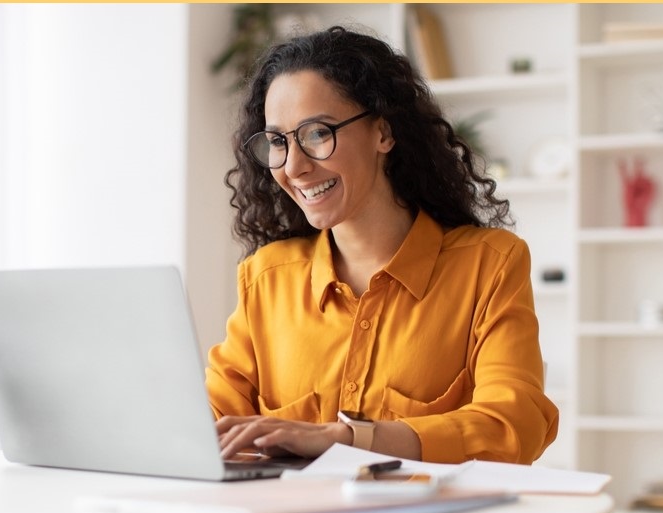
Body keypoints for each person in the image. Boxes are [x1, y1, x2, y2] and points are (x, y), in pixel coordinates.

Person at [205, 26, 558, 465]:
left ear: (383, 133)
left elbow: (514, 425)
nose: (294, 167)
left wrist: (349, 439)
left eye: (317, 133)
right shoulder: (266, 277)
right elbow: (210, 425)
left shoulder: (490, 265)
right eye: (278, 141)